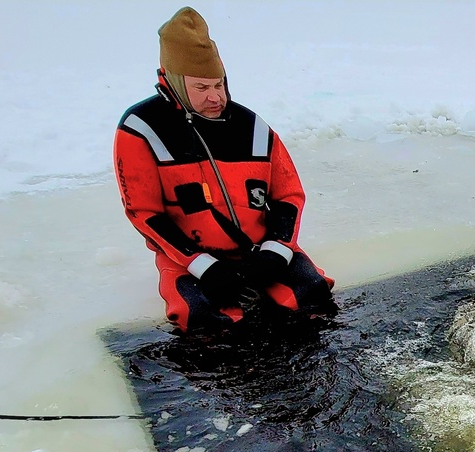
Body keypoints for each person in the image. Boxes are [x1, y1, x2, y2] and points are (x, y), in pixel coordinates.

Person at [113, 6, 335, 332]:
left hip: (261, 250)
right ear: (174, 82)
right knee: (203, 323)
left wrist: (274, 252)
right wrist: (204, 267)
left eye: (219, 85)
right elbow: (144, 213)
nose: (215, 97)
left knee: (314, 298)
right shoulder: (141, 130)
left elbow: (288, 195)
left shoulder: (253, 127)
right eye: (202, 88)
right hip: (188, 262)